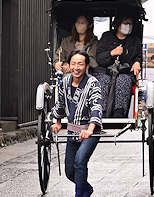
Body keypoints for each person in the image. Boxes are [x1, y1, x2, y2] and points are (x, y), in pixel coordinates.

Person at [51, 50, 102, 197]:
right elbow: (60, 103)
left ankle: (80, 195)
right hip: (73, 131)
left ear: (86, 66)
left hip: (89, 131)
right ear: (68, 65)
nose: (76, 67)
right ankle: (86, 189)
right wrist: (58, 122)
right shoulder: (65, 82)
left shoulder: (93, 83)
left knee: (80, 160)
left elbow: (96, 106)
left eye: (80, 64)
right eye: (73, 63)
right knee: (70, 172)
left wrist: (91, 129)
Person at [94, 13, 141, 117]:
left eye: (130, 24)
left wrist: (137, 62)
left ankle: (119, 112)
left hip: (125, 72)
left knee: (123, 80)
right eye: (125, 23)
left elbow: (137, 56)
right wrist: (112, 53)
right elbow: (99, 58)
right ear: (118, 24)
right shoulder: (107, 37)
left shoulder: (134, 41)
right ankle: (102, 111)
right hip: (105, 70)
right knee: (103, 80)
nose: (128, 26)